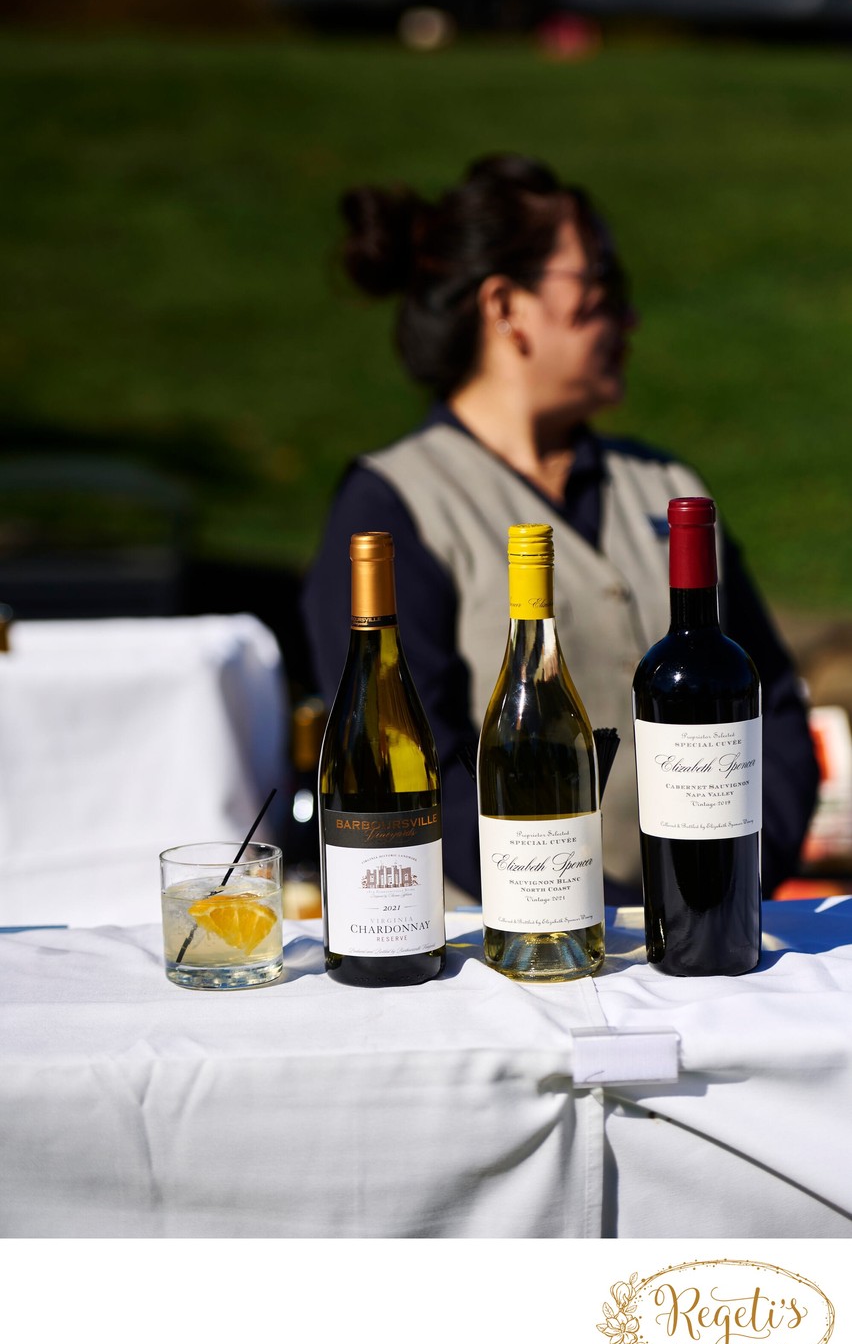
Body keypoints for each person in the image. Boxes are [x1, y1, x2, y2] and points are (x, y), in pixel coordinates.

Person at [302, 153, 818, 907]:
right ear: (507, 306)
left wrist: (722, 884)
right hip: (495, 965)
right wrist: (575, 910)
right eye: (602, 283)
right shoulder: (396, 506)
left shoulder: (670, 490)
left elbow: (770, 702)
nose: (629, 316)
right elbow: (409, 765)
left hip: (701, 952)